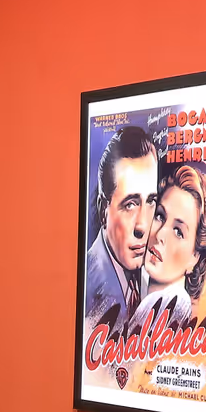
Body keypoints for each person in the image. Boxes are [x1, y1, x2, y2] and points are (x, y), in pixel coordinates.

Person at [131, 160, 206, 336]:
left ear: (195, 257)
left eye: (178, 232)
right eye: (159, 216)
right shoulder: (142, 299)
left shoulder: (168, 308)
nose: (159, 235)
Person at [83, 124, 158, 334]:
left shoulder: (149, 277)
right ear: (103, 211)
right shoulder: (89, 291)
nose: (142, 226)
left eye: (151, 201)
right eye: (130, 204)